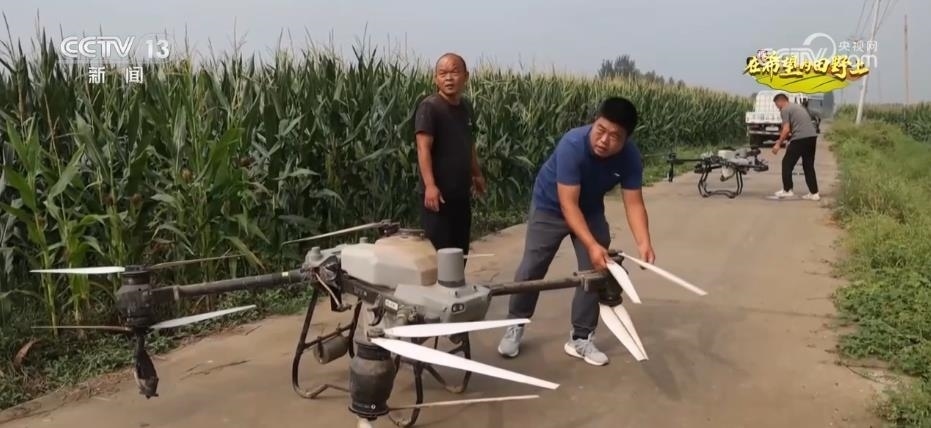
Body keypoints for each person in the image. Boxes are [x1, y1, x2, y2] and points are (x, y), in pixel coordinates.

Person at [496, 96, 656, 366]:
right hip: (551, 206)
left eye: (614, 136)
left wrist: (644, 242)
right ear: (594, 122)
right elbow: (568, 205)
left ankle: (581, 338)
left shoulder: (630, 158)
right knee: (532, 267)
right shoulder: (573, 144)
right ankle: (515, 324)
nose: (604, 140)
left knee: (596, 271)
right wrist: (592, 244)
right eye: (601, 130)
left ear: (626, 139)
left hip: (590, 209)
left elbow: (634, 203)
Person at [413, 53, 486, 259]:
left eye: (454, 72)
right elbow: (423, 148)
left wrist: (477, 173)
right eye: (443, 73)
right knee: (442, 255)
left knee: (460, 252)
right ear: (435, 78)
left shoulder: (465, 108)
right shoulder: (430, 107)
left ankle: (457, 281)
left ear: (466, 76)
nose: (448, 78)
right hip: (438, 197)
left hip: (460, 194)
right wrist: (430, 186)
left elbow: (468, 143)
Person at [771, 93, 820, 201]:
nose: (777, 107)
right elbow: (798, 125)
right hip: (811, 137)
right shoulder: (798, 107)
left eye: (776, 105)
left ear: (780, 101)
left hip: (800, 138)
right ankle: (814, 193)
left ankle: (787, 190)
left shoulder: (785, 109)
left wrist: (778, 144)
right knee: (808, 165)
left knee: (787, 163)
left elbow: (786, 129)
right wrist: (790, 140)